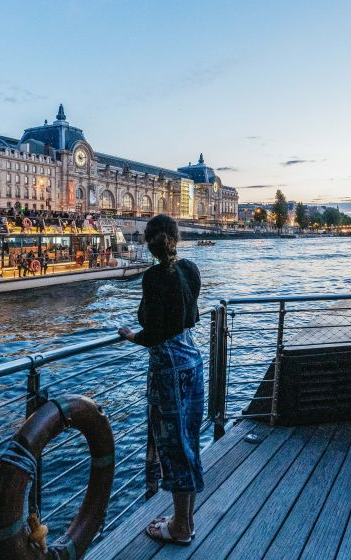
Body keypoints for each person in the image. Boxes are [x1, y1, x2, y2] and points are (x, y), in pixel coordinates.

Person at [118, 215, 203, 546]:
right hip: (192, 360)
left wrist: (131, 336)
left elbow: (153, 332)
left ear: (150, 243)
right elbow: (189, 317)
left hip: (168, 369)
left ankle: (181, 527)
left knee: (172, 446)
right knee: (189, 442)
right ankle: (185, 518)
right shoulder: (191, 269)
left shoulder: (154, 277)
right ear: (176, 238)